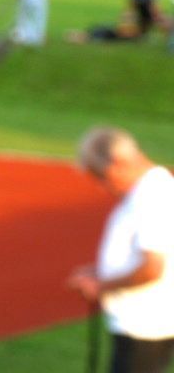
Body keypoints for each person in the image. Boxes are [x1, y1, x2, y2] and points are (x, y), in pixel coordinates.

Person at [68, 128, 174, 372]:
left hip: (144, 325)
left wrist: (101, 285)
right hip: (146, 323)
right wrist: (102, 272)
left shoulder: (152, 196)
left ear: (117, 162)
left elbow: (152, 268)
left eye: (103, 177)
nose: (104, 187)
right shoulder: (154, 189)